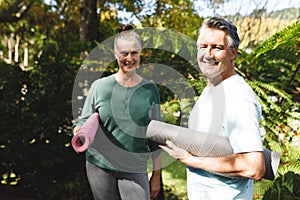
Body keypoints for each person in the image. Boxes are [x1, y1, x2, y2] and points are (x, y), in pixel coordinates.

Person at [160, 17, 265, 200]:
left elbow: (253, 167)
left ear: (233, 53)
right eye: (203, 46)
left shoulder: (237, 96)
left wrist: (191, 160)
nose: (207, 54)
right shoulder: (212, 88)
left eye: (217, 47)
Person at [73, 24, 162, 200]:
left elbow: (155, 138)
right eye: (124, 53)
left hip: (135, 169)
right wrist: (79, 130)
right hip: (100, 166)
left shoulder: (150, 89)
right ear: (115, 54)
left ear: (140, 53)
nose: (130, 58)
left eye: (134, 53)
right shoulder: (99, 87)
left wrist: (156, 176)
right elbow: (82, 121)